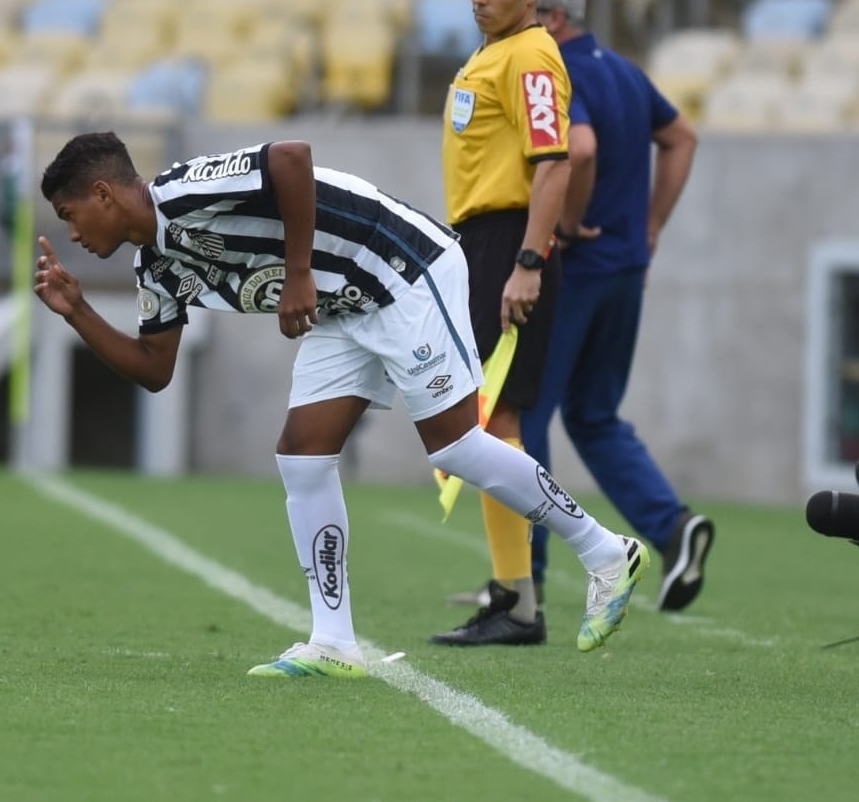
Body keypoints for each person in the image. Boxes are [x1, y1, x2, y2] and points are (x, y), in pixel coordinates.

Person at [33, 131, 651, 677]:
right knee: (303, 457)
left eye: (71, 213)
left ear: (106, 194)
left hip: (402, 266)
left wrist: (299, 272)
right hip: (343, 307)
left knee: (455, 444)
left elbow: (291, 158)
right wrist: (79, 312)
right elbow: (154, 369)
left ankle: (606, 552)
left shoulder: (185, 192)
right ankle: (333, 642)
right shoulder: (157, 266)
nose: (73, 232)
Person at [450, 0, 713, 614]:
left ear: (548, 11)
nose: (480, 0)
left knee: (516, 415)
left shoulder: (552, 64)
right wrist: (649, 227)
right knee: (594, 416)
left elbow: (579, 149)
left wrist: (555, 236)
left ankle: (522, 579)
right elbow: (680, 137)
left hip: (569, 266)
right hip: (625, 268)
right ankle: (672, 526)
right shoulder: (624, 71)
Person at [430, 0, 571, 647]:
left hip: (507, 241)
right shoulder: (495, 52)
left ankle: (518, 604)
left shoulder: (530, 58)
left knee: (495, 419)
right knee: (489, 421)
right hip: (480, 241)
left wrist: (527, 261)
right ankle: (512, 598)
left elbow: (553, 166)